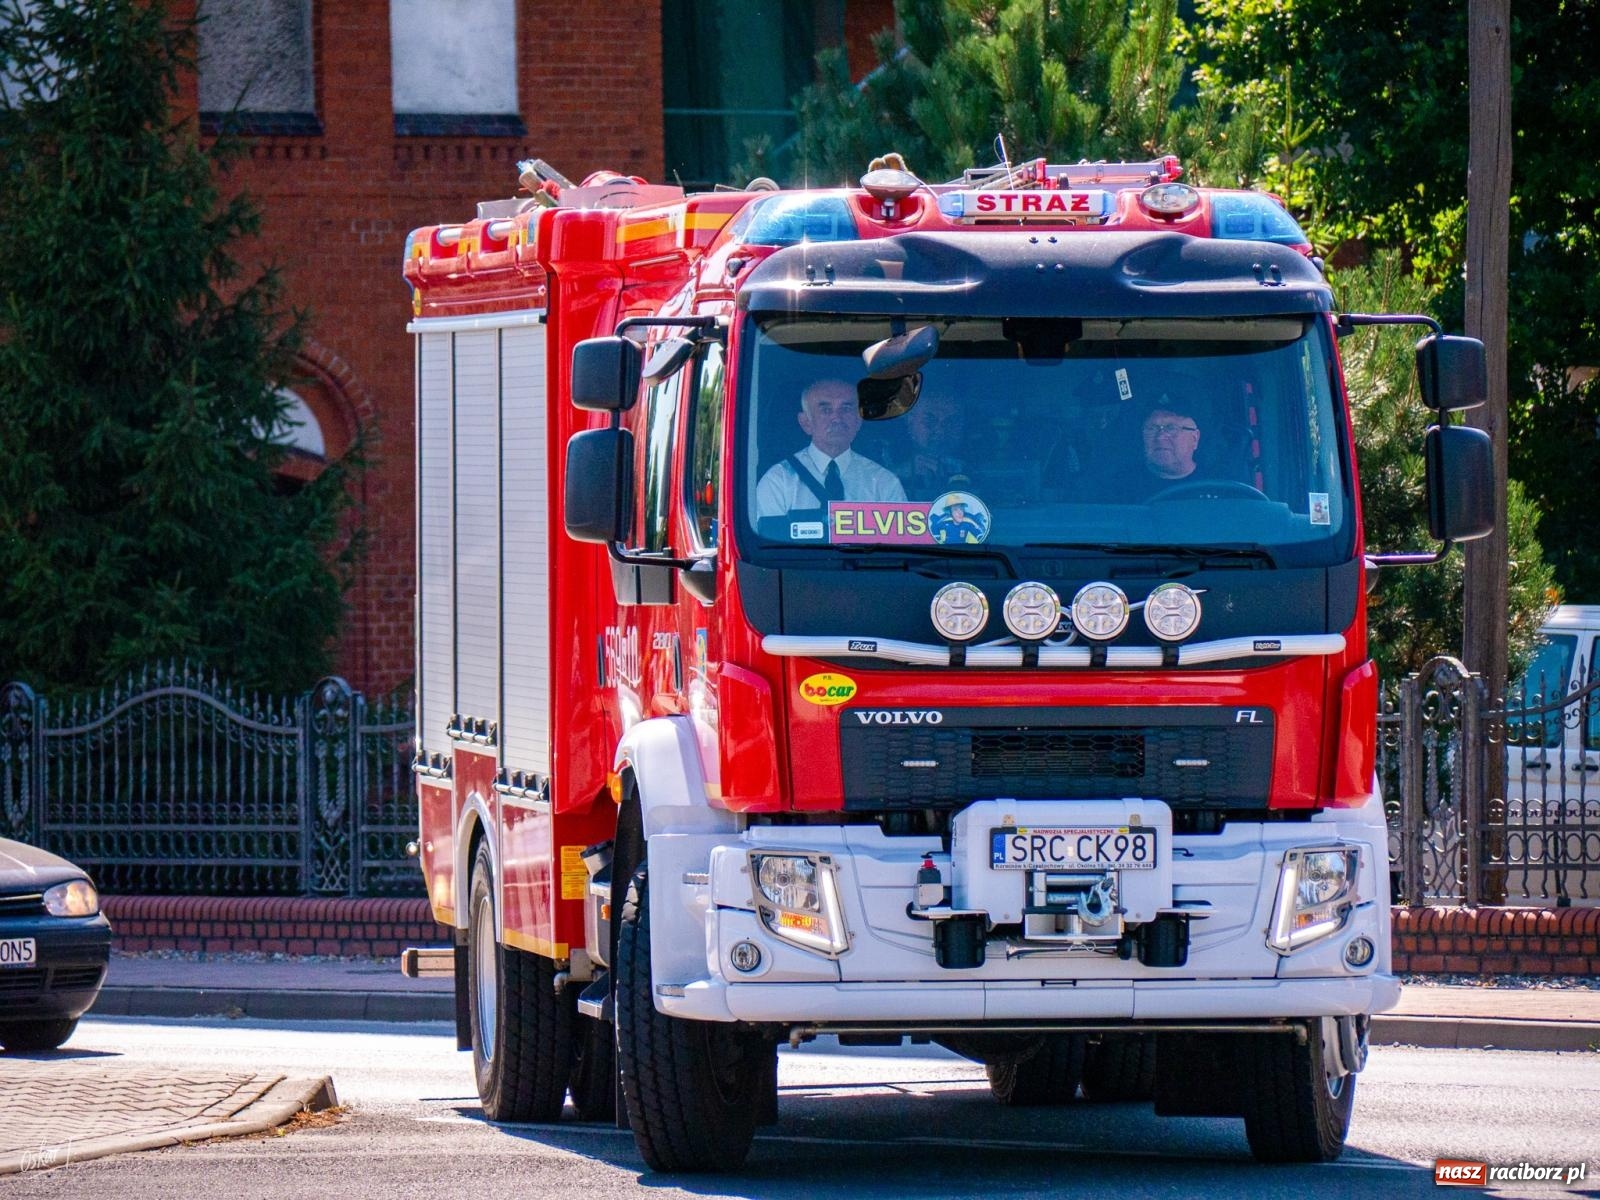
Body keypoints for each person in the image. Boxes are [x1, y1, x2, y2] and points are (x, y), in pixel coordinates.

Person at [755, 379, 905, 519]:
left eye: (846, 409)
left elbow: (899, 543)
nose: (837, 418)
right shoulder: (778, 482)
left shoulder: (883, 483)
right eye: (826, 410)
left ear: (858, 421)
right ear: (806, 422)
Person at [891, 392, 967, 499]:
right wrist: (895, 475)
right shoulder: (879, 454)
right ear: (910, 421)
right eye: (930, 421)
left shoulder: (983, 463)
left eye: (950, 422)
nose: (940, 430)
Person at [1129, 400, 1203, 499]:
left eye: (1171, 428)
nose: (1160, 437)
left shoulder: (1218, 484)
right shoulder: (1120, 486)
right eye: (1152, 429)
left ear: (1195, 438)